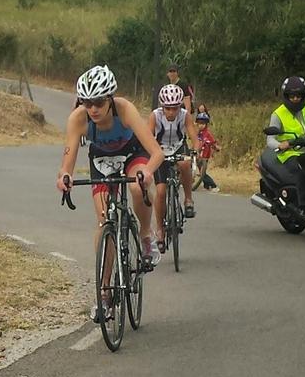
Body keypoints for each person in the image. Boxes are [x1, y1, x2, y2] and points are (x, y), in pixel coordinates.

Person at [56, 64, 164, 277]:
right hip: (101, 159)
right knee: (104, 219)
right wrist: (65, 178)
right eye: (87, 102)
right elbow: (67, 165)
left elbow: (157, 153)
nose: (93, 109)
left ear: (110, 98)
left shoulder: (124, 109)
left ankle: (144, 234)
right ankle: (104, 288)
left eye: (98, 102)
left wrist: (148, 172)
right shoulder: (77, 118)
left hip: (132, 152)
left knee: (135, 187)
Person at [148, 84, 200, 252]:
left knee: (185, 163)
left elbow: (193, 134)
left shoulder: (185, 116)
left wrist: (196, 149)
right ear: (162, 107)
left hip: (178, 146)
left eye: (175, 108)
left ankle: (188, 199)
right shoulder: (155, 116)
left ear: (179, 106)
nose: (171, 112)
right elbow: (148, 137)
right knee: (161, 192)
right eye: (168, 108)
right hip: (160, 150)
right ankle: (160, 230)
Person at [266, 76, 305, 219]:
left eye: (299, 95)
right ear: (286, 96)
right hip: (290, 153)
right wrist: (281, 144)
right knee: (302, 171)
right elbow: (270, 140)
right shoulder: (278, 114)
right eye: (292, 96)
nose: (296, 99)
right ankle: (304, 207)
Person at [195, 110, 221, 192]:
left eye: (202, 124)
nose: (201, 126)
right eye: (199, 124)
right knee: (200, 171)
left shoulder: (207, 133)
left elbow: (213, 142)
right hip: (198, 154)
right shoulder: (199, 133)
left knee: (203, 172)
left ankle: (213, 185)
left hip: (205, 155)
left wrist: (216, 147)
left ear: (206, 124)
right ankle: (206, 185)